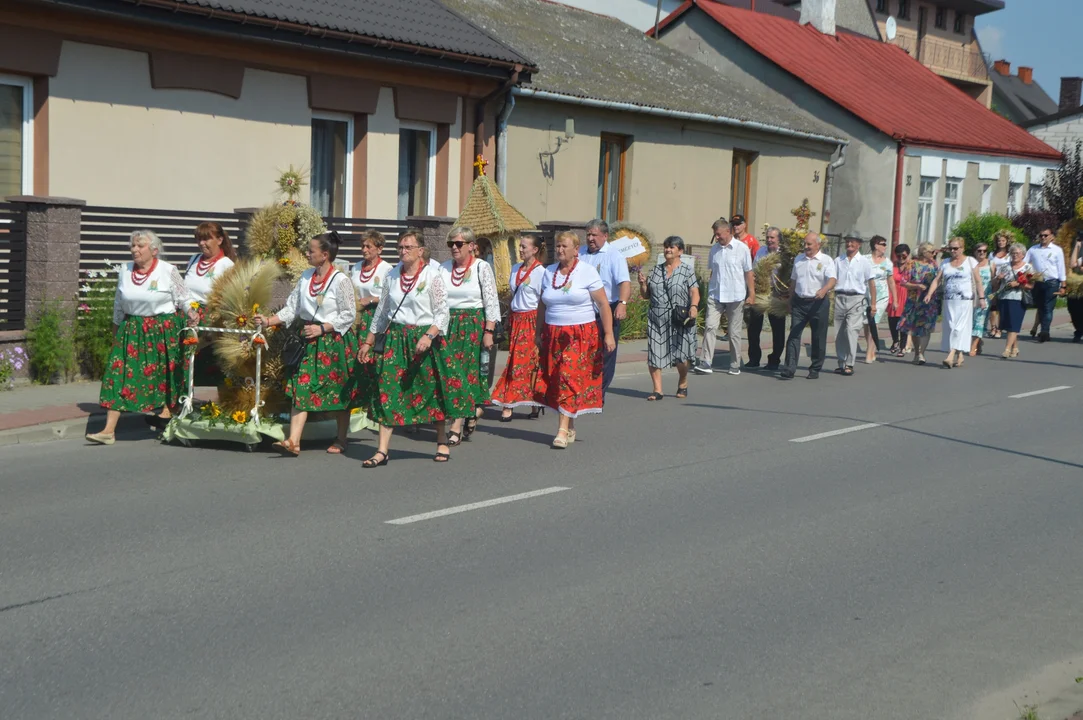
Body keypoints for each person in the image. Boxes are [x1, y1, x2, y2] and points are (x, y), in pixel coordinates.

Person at [252, 232, 356, 456]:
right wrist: (269, 321)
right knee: (301, 386)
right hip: (308, 340)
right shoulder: (306, 277)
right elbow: (292, 308)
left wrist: (323, 328)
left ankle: (341, 438)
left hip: (333, 341)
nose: (307, 254)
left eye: (311, 250)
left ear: (325, 255)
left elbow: (348, 314)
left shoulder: (341, 281)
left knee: (338, 389)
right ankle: (293, 441)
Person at [358, 229, 452, 465]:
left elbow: (442, 313)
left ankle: (441, 440)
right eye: (400, 247)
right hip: (396, 338)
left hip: (423, 338)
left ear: (420, 251)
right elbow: (382, 312)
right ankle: (382, 450)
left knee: (431, 389)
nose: (403, 251)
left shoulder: (433, 275)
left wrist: (429, 336)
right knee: (386, 388)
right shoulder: (391, 275)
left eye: (408, 247)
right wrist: (369, 341)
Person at [86, 230, 188, 445]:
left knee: (166, 375)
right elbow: (118, 303)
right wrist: (116, 332)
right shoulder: (125, 270)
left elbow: (184, 298)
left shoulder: (168, 270)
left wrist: (192, 314)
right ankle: (108, 430)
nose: (134, 250)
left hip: (163, 329)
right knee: (119, 373)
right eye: (132, 246)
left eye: (139, 246)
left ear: (154, 250)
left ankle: (167, 417)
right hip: (131, 328)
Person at [535, 230, 616, 448]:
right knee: (556, 378)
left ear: (575, 249)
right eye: (558, 246)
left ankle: (561, 430)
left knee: (567, 376)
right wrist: (538, 332)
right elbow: (542, 304)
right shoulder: (549, 272)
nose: (560, 250)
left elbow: (603, 304)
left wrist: (608, 333)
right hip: (553, 333)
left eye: (564, 246)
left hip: (580, 334)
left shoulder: (587, 272)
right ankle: (569, 424)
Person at [440, 226, 500, 445]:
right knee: (450, 373)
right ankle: (472, 410)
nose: (454, 248)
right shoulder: (443, 268)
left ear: (472, 246)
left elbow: (491, 300)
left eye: (459, 244)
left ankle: (456, 425)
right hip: (448, 325)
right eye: (451, 244)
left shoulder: (481, 268)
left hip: (472, 325)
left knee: (465, 374)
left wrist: (489, 330)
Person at [491, 235, 546, 421]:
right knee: (516, 360)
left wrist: (540, 328)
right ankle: (530, 401)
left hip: (532, 319)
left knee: (525, 362)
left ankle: (512, 403)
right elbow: (513, 295)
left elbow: (542, 301)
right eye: (520, 247)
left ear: (535, 250)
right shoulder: (515, 269)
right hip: (516, 319)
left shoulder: (540, 272)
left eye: (524, 247)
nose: (520, 250)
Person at [637, 236, 699, 400]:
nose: (668, 250)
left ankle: (683, 381)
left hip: (679, 317)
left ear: (680, 251)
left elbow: (694, 291)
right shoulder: (656, 270)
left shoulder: (687, 270)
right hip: (657, 318)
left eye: (671, 247)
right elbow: (646, 295)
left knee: (680, 356)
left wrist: (693, 306)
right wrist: (643, 284)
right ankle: (657, 390)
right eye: (666, 247)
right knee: (654, 353)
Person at [695, 217, 754, 376]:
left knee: (734, 333)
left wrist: (752, 293)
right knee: (710, 326)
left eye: (719, 234)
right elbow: (713, 271)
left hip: (736, 296)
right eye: (715, 234)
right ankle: (706, 361)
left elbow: (749, 272)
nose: (717, 237)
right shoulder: (714, 249)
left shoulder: (742, 249)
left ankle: (735, 363)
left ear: (728, 231)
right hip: (716, 295)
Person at [182, 221, 237, 388]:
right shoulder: (194, 259)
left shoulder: (227, 265)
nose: (201, 243)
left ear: (219, 240)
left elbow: (229, 298)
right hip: (186, 312)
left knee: (192, 358)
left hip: (208, 318)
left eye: (206, 239)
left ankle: (187, 398)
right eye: (199, 239)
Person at [577, 220, 630, 393]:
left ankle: (599, 392)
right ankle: (583, 388)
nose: (590, 239)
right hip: (584, 310)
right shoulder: (581, 253)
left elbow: (624, 282)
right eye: (588, 235)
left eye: (594, 235)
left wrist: (622, 304)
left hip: (607, 309)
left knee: (606, 353)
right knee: (584, 352)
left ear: (605, 236)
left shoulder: (614, 255)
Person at [349, 230, 393, 419]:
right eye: (362, 246)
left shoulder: (387, 269)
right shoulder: (357, 267)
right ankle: (358, 404)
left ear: (379, 249)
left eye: (369, 246)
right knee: (356, 359)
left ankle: (375, 406)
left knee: (373, 362)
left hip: (376, 317)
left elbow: (390, 297)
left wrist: (372, 299)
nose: (364, 250)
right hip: (358, 318)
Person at [780, 232, 836, 380]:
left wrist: (824, 290)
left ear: (818, 244)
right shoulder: (799, 259)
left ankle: (815, 367)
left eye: (809, 244)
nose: (806, 247)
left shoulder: (826, 260)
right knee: (794, 335)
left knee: (818, 336)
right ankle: (789, 368)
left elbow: (832, 279)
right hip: (799, 302)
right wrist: (789, 300)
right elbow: (793, 281)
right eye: (805, 244)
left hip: (818, 303)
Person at [924, 237, 986, 369]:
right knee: (951, 327)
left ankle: (950, 356)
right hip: (949, 301)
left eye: (956, 248)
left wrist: (982, 298)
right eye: (950, 248)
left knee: (959, 328)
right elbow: (937, 280)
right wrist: (929, 294)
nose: (953, 251)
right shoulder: (945, 262)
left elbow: (978, 281)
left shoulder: (970, 261)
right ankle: (960, 354)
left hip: (965, 301)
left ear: (962, 248)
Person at [833, 233, 877, 376]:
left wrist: (874, 304)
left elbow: (871, 283)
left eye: (852, 242)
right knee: (839, 333)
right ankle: (841, 362)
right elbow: (832, 279)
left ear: (859, 244)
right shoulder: (838, 260)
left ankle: (850, 364)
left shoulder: (864, 262)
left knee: (852, 330)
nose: (849, 244)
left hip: (856, 299)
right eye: (847, 242)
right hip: (840, 298)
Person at [746, 227, 785, 370]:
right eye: (768, 237)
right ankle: (754, 358)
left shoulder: (784, 254)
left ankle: (774, 359)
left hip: (777, 295)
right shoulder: (761, 251)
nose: (769, 240)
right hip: (760, 292)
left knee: (778, 329)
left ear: (778, 239)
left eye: (772, 238)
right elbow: (754, 269)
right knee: (754, 327)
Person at [1024, 227, 1068, 343]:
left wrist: (1063, 285)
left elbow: (1061, 268)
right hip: (1038, 281)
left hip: (1052, 282)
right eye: (1041, 235)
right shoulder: (1033, 249)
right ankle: (1042, 329)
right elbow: (1025, 264)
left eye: (1046, 235)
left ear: (1051, 237)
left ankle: (1045, 332)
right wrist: (1029, 273)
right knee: (1040, 307)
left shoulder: (1057, 250)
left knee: (1048, 307)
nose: (1043, 237)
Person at [898, 242, 939, 365]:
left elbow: (938, 281)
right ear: (924, 252)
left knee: (927, 327)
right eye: (931, 252)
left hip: (930, 301)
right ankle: (917, 352)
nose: (933, 254)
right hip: (914, 300)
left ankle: (922, 353)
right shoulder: (912, 264)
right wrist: (916, 286)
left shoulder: (934, 265)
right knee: (915, 328)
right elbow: (903, 282)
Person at [992, 242, 1034, 359]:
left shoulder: (1028, 268)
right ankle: (1015, 348)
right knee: (1007, 324)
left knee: (1014, 324)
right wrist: (998, 278)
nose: (1014, 255)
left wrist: (1019, 284)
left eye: (1017, 253)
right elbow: (995, 282)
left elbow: (1031, 286)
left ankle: (1007, 349)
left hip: (1018, 299)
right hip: (1004, 298)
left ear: (1023, 255)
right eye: (1012, 253)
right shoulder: (1005, 266)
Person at [863, 234, 895, 364]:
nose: (885, 246)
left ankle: (870, 351)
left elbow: (891, 281)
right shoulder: (865, 260)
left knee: (874, 322)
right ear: (876, 245)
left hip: (882, 296)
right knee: (866, 323)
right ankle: (871, 346)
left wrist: (896, 300)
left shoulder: (887, 263)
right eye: (883, 244)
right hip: (866, 296)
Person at [987, 230, 1013, 339]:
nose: (1001, 242)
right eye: (999, 241)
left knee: (1002, 305)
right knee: (993, 304)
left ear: (1007, 241)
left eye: (1003, 240)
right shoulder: (992, 254)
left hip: (1005, 282)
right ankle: (993, 326)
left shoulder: (1009, 254)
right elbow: (989, 267)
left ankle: (1000, 328)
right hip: (994, 281)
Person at [970, 242, 993, 355]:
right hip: (971, 296)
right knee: (971, 321)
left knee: (979, 321)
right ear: (975, 252)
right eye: (979, 251)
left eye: (984, 251)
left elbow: (994, 282)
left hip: (985, 297)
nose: (982, 253)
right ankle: (978, 343)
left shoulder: (991, 264)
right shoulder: (970, 264)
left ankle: (973, 346)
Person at [887, 243, 909, 356]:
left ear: (908, 255)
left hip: (906, 295)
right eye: (898, 256)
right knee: (892, 321)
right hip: (894, 294)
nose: (901, 258)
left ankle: (902, 346)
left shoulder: (911, 266)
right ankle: (895, 340)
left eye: (904, 256)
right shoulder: (892, 266)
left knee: (904, 322)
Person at [1070, 236, 1083, 343]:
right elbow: (1072, 264)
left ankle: (1079, 333)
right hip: (1077, 284)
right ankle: (1078, 330)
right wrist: (1077, 246)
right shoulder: (1080, 252)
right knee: (1074, 309)